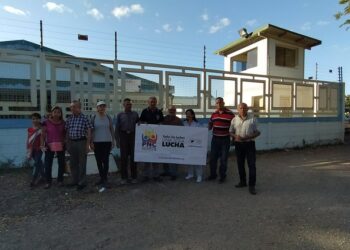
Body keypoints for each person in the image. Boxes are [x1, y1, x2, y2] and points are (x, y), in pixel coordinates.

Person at [230, 103, 261, 195]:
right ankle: (242, 182)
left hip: (249, 144)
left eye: (244, 108)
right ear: (237, 109)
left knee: (251, 165)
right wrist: (236, 136)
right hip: (238, 145)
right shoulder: (234, 120)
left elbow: (258, 132)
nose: (242, 109)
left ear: (247, 109)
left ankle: (252, 186)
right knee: (240, 164)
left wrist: (248, 137)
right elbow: (230, 132)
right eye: (240, 108)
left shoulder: (253, 119)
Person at [65, 100, 93, 191]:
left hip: (82, 142)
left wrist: (88, 145)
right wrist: (67, 144)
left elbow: (89, 132)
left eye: (73, 107)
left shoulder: (85, 118)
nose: (71, 108)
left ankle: (82, 182)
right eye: (71, 107)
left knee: (82, 163)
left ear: (79, 107)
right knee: (73, 163)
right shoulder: (69, 119)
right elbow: (67, 132)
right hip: (72, 143)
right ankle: (74, 180)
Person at [207, 97, 235, 183]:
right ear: (215, 104)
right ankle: (213, 175)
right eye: (217, 103)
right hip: (215, 139)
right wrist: (207, 127)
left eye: (220, 102)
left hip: (225, 140)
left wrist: (233, 139)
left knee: (223, 159)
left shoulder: (230, 114)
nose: (218, 104)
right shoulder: (214, 114)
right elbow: (210, 126)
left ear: (223, 103)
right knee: (213, 158)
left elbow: (234, 127)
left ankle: (222, 176)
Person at [90, 101, 115, 188]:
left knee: (106, 160)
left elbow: (111, 129)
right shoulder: (93, 118)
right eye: (100, 106)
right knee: (99, 161)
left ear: (105, 108)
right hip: (97, 142)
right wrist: (91, 142)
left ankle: (105, 179)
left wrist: (113, 141)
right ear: (97, 108)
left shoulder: (108, 117)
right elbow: (91, 131)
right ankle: (102, 178)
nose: (102, 108)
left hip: (107, 142)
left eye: (103, 106)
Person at [139, 96, 164, 182]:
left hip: (156, 137)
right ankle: (146, 175)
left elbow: (162, 121)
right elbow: (140, 121)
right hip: (147, 137)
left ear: (156, 102)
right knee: (147, 157)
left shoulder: (159, 112)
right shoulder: (144, 111)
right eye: (151, 102)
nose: (153, 103)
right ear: (148, 102)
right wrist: (142, 124)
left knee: (156, 157)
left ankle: (156, 175)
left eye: (154, 101)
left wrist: (160, 124)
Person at [115, 98, 139, 184]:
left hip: (133, 137)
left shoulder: (135, 114)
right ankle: (124, 178)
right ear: (123, 105)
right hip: (123, 136)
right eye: (127, 104)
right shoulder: (120, 115)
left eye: (130, 104)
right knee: (123, 158)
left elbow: (139, 125)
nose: (129, 105)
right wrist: (117, 141)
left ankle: (134, 177)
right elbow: (117, 128)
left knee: (133, 158)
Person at [41, 106, 66, 189]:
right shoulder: (46, 122)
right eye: (55, 112)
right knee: (48, 164)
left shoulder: (63, 123)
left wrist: (65, 143)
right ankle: (48, 182)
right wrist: (42, 145)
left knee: (61, 164)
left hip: (61, 146)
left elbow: (65, 135)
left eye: (58, 112)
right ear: (51, 113)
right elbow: (43, 135)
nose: (56, 113)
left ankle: (60, 180)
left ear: (61, 114)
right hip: (49, 145)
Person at [161, 105, 183, 180]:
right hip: (165, 141)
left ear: (175, 111)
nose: (172, 111)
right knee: (164, 157)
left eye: (173, 110)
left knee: (174, 158)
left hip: (175, 142)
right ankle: (166, 171)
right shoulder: (164, 119)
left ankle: (174, 173)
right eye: (170, 110)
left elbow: (183, 131)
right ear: (168, 111)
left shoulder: (178, 120)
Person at [183, 109, 204, 183]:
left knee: (197, 160)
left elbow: (201, 133)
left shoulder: (197, 124)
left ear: (192, 115)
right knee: (189, 160)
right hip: (187, 144)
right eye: (187, 114)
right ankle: (190, 174)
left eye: (189, 114)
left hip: (195, 145)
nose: (188, 115)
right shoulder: (184, 123)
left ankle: (199, 175)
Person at [26, 113, 44, 188]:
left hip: (39, 149)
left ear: (39, 119)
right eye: (33, 119)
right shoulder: (29, 129)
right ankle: (44, 176)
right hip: (31, 150)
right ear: (31, 120)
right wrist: (28, 150)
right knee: (39, 163)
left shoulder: (42, 129)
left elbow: (43, 139)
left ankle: (33, 180)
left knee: (36, 164)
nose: (35, 120)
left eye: (37, 118)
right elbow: (28, 140)